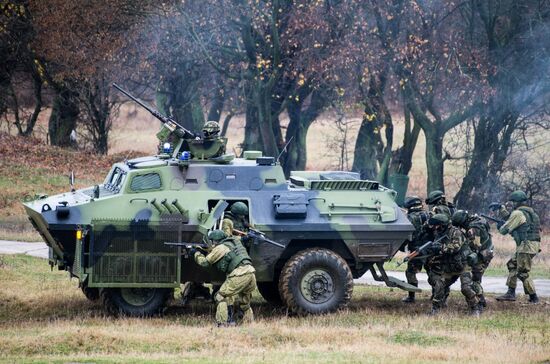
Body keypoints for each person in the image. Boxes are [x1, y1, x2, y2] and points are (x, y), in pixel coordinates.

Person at [192, 229, 257, 326]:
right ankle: (249, 322)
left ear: (215, 241)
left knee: (220, 296)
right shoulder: (235, 241)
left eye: (212, 241)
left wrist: (196, 253)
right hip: (251, 273)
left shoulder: (220, 248)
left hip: (239, 274)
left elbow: (205, 262)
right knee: (244, 302)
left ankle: (222, 323)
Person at [426, 214, 480, 316]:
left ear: (442, 225)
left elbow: (455, 248)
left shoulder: (456, 232)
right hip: (449, 266)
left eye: (436, 225)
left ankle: (475, 308)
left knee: (466, 288)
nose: (434, 227)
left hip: (463, 265)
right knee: (439, 286)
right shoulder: (438, 232)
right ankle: (435, 309)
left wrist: (441, 248)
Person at [493, 190, 541, 303]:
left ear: (517, 202)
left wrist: (500, 226)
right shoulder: (531, 213)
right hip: (531, 245)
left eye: (513, 202)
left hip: (526, 246)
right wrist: (501, 209)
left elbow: (504, 230)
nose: (512, 204)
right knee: (512, 264)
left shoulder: (518, 213)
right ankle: (510, 293)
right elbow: (512, 219)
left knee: (523, 272)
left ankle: (534, 297)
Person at [451, 210, 494, 308]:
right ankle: (481, 301)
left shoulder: (472, 229)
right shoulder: (479, 220)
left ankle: (479, 304)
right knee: (476, 280)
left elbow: (475, 247)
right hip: (487, 252)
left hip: (480, 256)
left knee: (474, 280)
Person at [401, 196, 430, 303]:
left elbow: (407, 235)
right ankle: (437, 296)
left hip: (416, 251)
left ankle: (411, 297)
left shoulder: (410, 218)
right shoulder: (428, 215)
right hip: (430, 249)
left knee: (410, 272)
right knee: (433, 273)